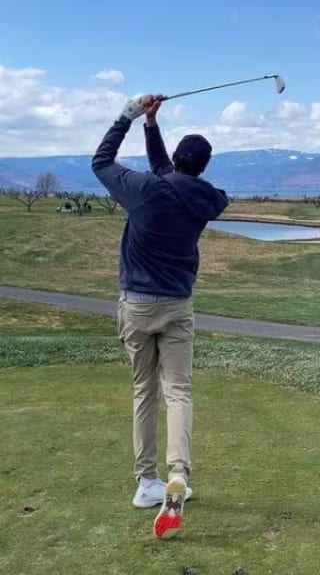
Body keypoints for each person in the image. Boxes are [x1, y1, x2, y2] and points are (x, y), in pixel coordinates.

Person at [91, 94, 229, 539]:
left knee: (143, 391)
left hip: (135, 303)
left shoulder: (146, 190)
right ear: (203, 167)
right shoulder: (206, 198)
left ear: (177, 160)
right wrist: (152, 127)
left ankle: (146, 482)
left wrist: (128, 116)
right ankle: (179, 475)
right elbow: (170, 175)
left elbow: (101, 160)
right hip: (177, 306)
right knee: (180, 392)